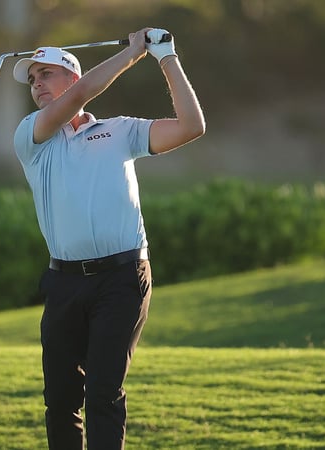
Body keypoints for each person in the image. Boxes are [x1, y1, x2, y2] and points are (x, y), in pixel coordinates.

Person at [12, 27, 205, 450]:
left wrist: (166, 57)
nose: (37, 84)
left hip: (122, 278)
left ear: (72, 76)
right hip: (63, 283)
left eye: (46, 74)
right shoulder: (32, 136)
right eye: (32, 79)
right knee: (60, 400)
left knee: (103, 393)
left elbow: (192, 126)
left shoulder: (121, 131)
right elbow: (77, 99)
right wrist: (133, 54)